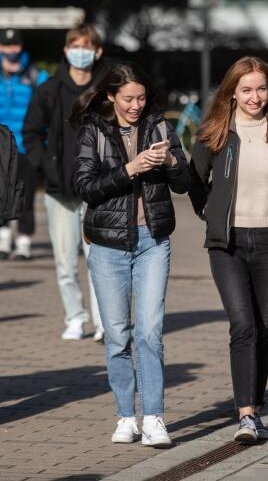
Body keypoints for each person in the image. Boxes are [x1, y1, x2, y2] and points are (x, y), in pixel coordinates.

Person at [189, 57, 268, 443]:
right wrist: (211, 213)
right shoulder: (215, 132)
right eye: (246, 90)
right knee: (242, 325)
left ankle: (256, 409)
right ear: (232, 93)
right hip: (227, 243)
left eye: (260, 89)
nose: (255, 97)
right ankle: (245, 416)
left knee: (262, 328)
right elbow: (196, 180)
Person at [72, 61, 191, 447]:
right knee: (118, 336)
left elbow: (185, 182)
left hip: (152, 240)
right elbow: (85, 187)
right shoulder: (94, 129)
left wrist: (171, 161)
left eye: (141, 97)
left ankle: (154, 417)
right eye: (127, 99)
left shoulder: (158, 125)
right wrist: (130, 168)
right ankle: (126, 415)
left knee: (151, 332)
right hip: (107, 246)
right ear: (111, 96)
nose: (135, 105)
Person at [22, 24, 106, 341]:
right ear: (66, 50)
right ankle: (75, 317)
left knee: (99, 260)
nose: (80, 52)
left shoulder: (105, 90)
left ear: (97, 51)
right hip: (59, 191)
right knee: (65, 262)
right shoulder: (48, 90)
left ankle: (103, 321)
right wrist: (45, 165)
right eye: (74, 45)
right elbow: (31, 134)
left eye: (86, 46)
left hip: (98, 189)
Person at [0, 28, 48, 261]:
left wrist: (42, 146)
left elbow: (47, 111)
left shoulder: (37, 75)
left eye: (14, 45)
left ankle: (24, 241)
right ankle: (4, 238)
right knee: (0, 192)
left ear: (21, 46)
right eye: (6, 46)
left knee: (26, 195)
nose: (10, 50)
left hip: (27, 145)